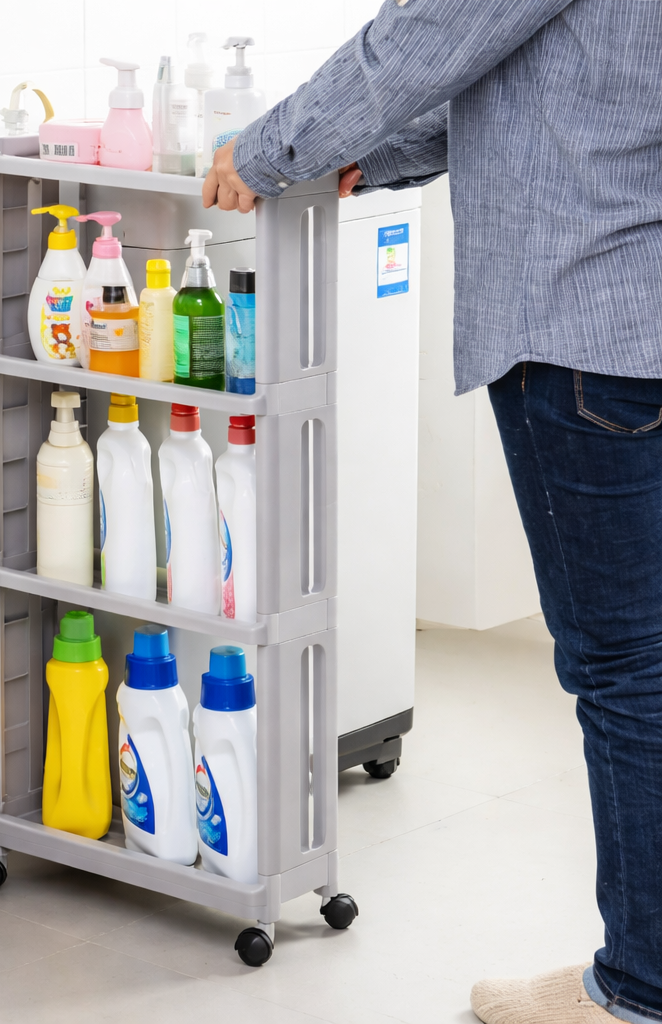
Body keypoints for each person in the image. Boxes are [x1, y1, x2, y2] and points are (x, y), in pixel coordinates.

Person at [202, 3, 662, 1023]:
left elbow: (422, 39)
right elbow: (540, 84)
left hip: (585, 322)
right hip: (635, 314)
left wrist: (268, 150)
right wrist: (369, 154)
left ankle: (639, 990)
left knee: (627, 670)